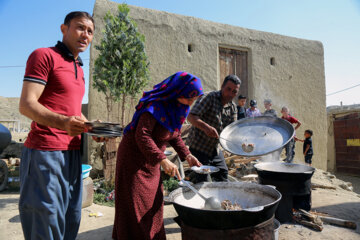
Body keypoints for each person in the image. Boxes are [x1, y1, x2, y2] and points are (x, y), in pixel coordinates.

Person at [18, 12, 97, 240]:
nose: (86, 35)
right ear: (64, 29)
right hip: (45, 152)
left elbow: (71, 112)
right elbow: (27, 105)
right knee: (45, 223)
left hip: (72, 155)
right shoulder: (44, 56)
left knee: (70, 220)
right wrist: (63, 122)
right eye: (80, 28)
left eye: (90, 31)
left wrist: (91, 127)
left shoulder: (79, 69)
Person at [112, 72, 203, 240]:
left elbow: (174, 134)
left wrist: (187, 155)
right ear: (177, 91)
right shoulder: (155, 106)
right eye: (188, 98)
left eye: (194, 99)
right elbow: (142, 136)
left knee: (152, 203)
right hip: (133, 159)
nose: (191, 103)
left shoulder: (180, 108)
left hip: (152, 160)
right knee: (135, 206)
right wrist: (162, 159)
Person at [187, 75, 240, 182]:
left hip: (214, 149)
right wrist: (206, 127)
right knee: (203, 179)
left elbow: (232, 130)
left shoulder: (233, 107)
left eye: (234, 91)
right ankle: (194, 181)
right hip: (198, 147)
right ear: (222, 86)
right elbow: (191, 116)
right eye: (228, 89)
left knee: (223, 173)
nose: (230, 94)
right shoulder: (209, 98)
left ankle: (222, 198)